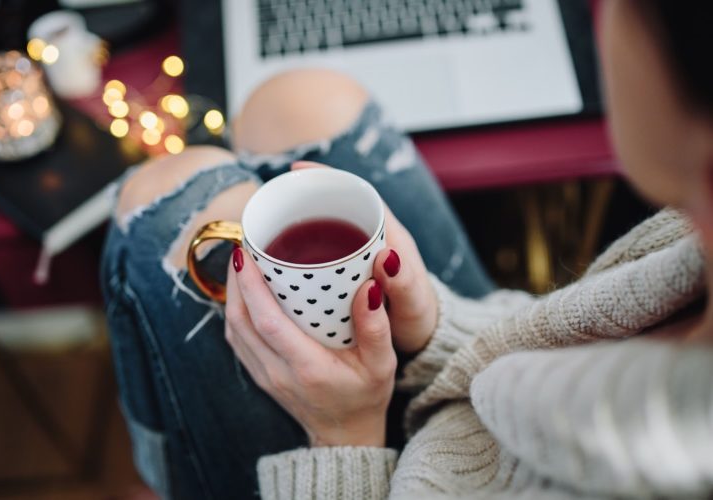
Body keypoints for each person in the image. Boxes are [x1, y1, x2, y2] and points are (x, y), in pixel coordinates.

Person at [100, 0, 713, 497]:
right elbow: (557, 355)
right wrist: (436, 328)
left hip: (369, 469)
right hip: (471, 391)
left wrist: (342, 439)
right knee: (299, 99)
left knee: (161, 204)